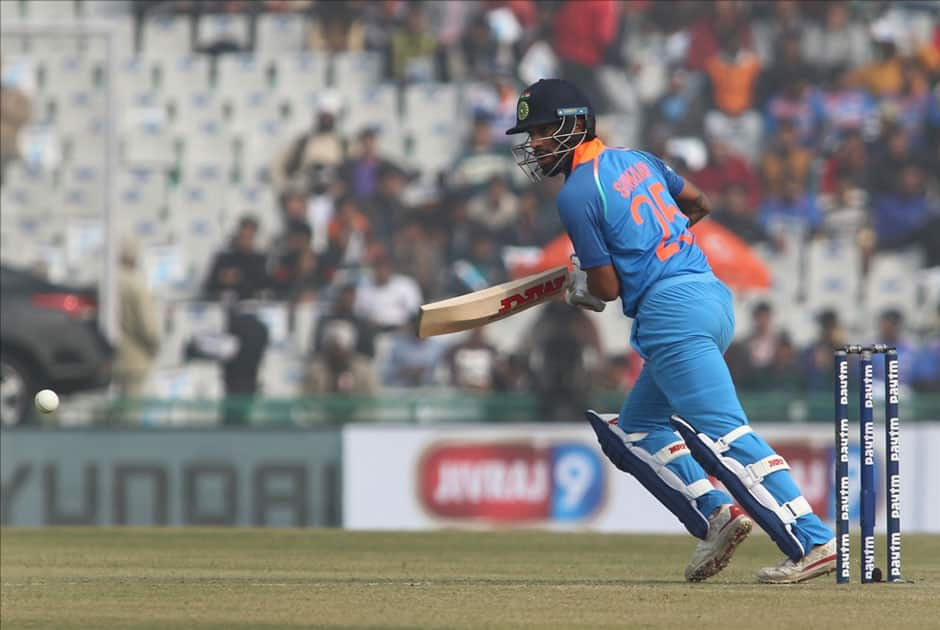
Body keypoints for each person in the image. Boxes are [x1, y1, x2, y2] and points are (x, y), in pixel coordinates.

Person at [505, 78, 835, 583]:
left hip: (670, 314)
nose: (536, 145)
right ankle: (716, 516)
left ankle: (814, 540)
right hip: (710, 296)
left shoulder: (575, 194)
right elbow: (699, 203)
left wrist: (581, 287)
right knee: (635, 428)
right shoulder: (638, 159)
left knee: (724, 434)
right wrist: (652, 244)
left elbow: (608, 289)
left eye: (543, 132)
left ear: (574, 124)